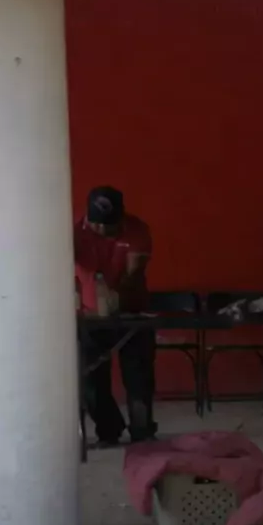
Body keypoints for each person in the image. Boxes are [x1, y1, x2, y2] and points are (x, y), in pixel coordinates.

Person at [74, 186, 157, 445]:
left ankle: (142, 430)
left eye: (108, 225)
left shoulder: (136, 230)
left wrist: (116, 297)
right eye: (95, 224)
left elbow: (134, 272)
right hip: (90, 317)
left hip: (132, 312)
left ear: (121, 217)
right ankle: (108, 430)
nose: (101, 230)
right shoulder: (74, 231)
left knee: (138, 375)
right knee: (91, 378)